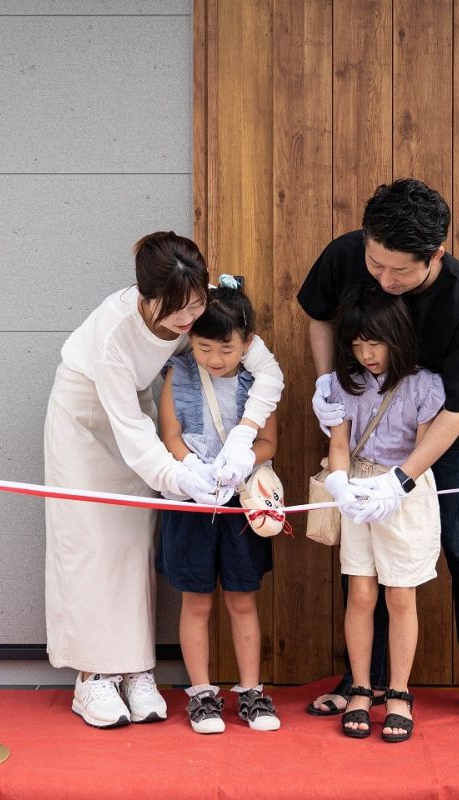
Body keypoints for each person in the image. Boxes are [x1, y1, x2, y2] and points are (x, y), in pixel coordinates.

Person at [296, 178, 459, 732]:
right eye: (376, 265)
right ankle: (359, 683)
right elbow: (319, 312)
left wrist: (403, 479)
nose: (385, 280)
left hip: (443, 432)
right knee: (362, 562)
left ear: (435, 254)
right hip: (365, 429)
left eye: (400, 272)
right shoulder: (350, 253)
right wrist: (328, 383)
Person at [44, 233, 284, 729]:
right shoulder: (114, 335)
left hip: (136, 407)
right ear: (146, 299)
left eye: (196, 303)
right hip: (86, 417)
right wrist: (181, 475)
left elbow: (269, 373)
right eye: (177, 310)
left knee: (133, 541)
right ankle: (92, 676)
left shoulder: (202, 306)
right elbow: (133, 437)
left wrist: (243, 437)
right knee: (91, 540)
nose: (188, 318)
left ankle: (134, 668)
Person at [156, 275, 281, 735]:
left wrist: (246, 456)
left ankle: (251, 690)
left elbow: (268, 441)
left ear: (246, 342)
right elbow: (169, 436)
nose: (215, 359)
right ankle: (203, 693)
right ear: (191, 338)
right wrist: (194, 469)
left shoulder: (260, 380)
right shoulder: (178, 372)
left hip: (241, 505)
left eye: (226, 350)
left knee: (243, 600)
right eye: (205, 348)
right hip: (189, 498)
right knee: (196, 601)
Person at [323, 286, 444, 743]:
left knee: (400, 596)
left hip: (403, 493)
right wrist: (339, 484)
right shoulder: (342, 383)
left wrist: (397, 484)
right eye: (355, 344)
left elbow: (424, 449)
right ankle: (359, 687)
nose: (365, 353)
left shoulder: (425, 384)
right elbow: (338, 442)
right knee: (360, 591)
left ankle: (398, 692)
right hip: (357, 489)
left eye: (373, 342)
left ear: (396, 335)